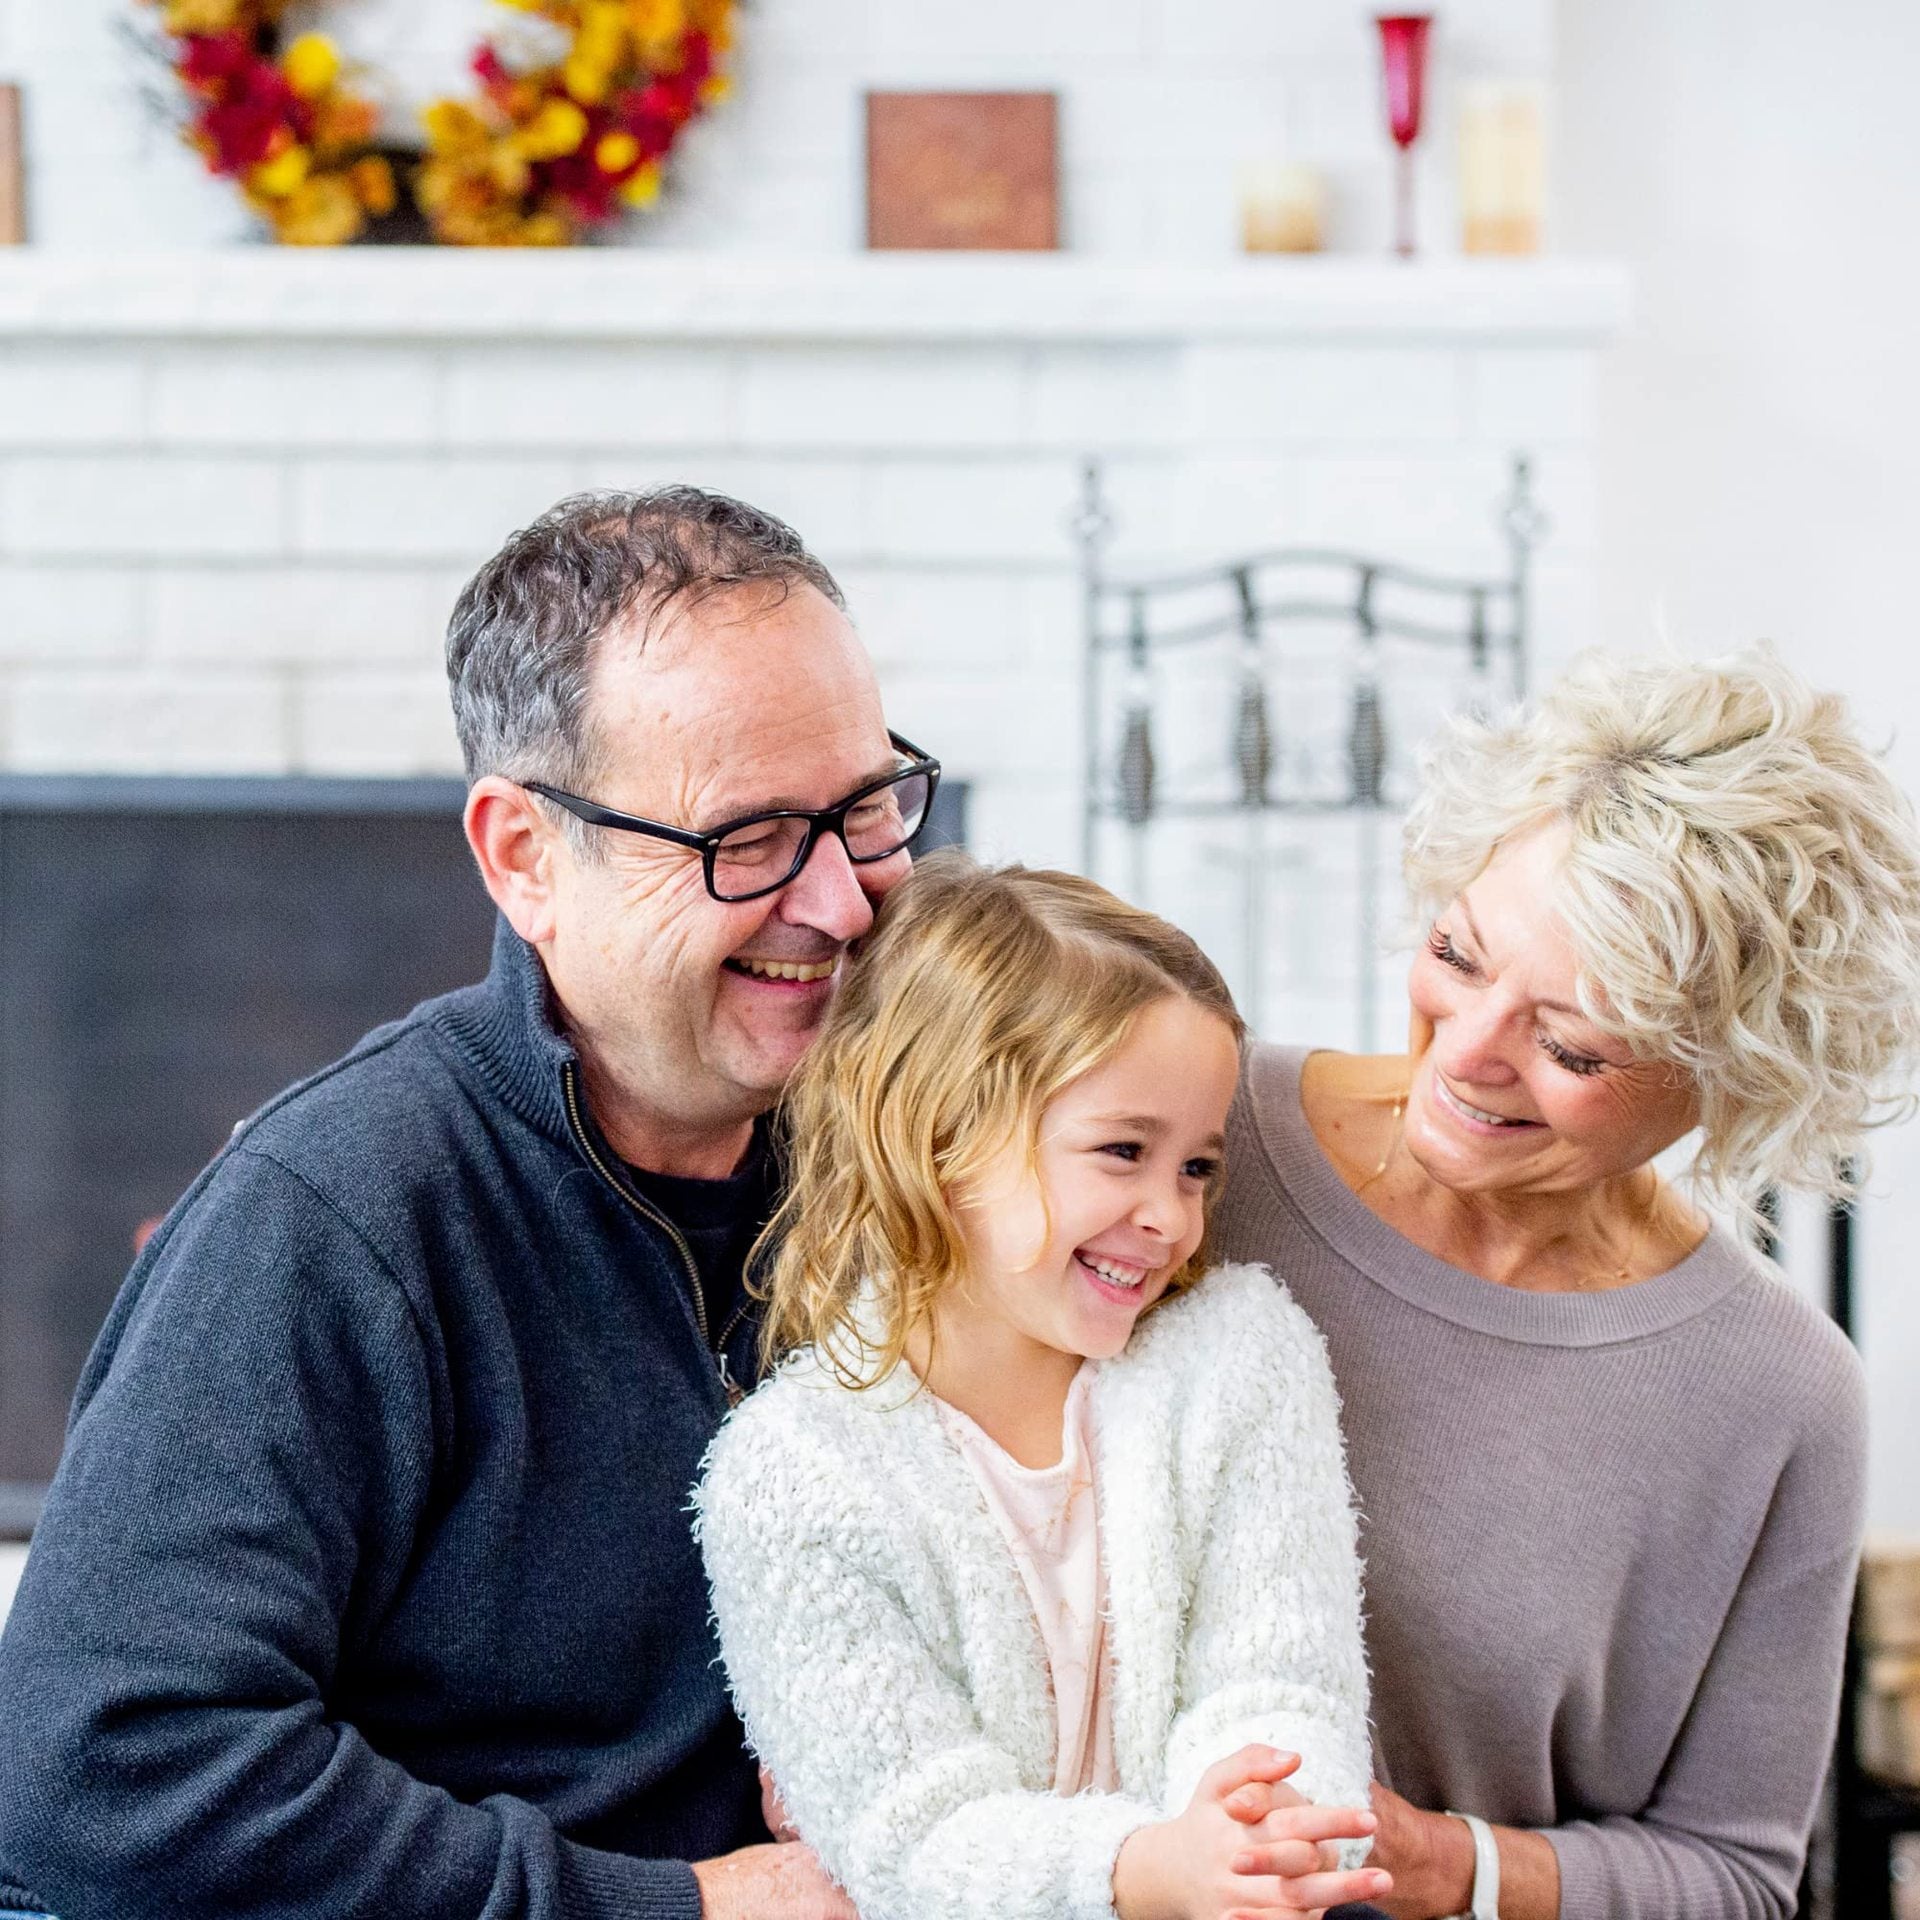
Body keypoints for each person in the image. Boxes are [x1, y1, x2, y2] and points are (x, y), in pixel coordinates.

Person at [0, 488, 938, 1920]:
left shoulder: (920, 1145)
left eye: (864, 809)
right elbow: (96, 1770)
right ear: (523, 858)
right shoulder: (331, 1219)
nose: (845, 902)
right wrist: (673, 1908)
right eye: (748, 838)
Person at [1213, 649, 1920, 1920]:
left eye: (1571, 1045)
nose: (1466, 1053)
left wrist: (1446, 1864)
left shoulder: (1777, 1396)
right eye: (1458, 954)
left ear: (1734, 1074)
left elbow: (1736, 1872)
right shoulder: (1188, 1144)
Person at [695, 853, 1391, 1920]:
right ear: (939, 1137)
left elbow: (1283, 1678)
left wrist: (1261, 1826)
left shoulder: (1239, 1361)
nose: (1171, 1215)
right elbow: (910, 1834)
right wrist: (1149, 1870)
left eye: (1197, 1167)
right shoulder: (793, 1477)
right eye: (1123, 1150)